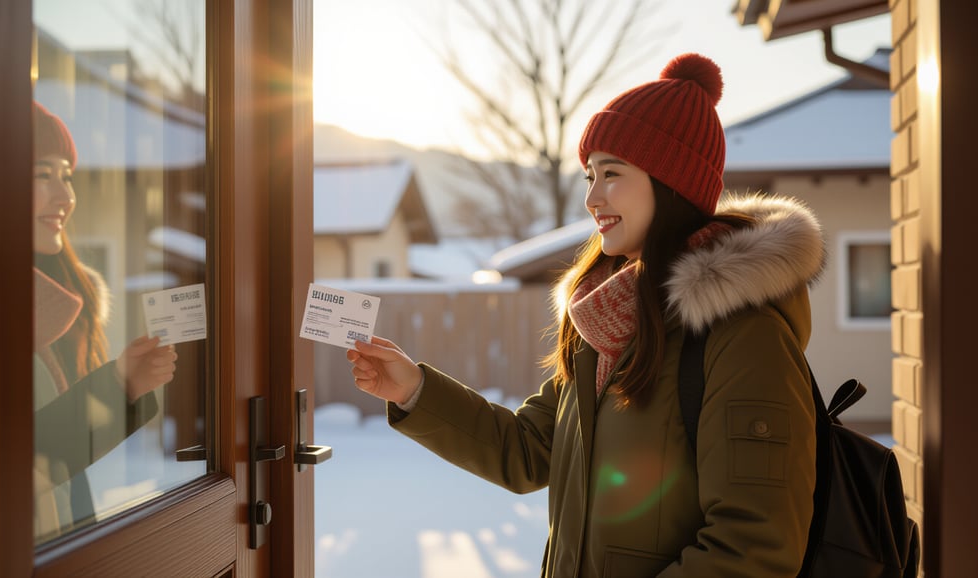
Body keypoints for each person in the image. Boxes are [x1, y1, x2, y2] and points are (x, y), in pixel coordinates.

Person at [346, 53, 825, 576]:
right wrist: (414, 390)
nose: (593, 197)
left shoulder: (743, 335)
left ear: (672, 183)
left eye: (612, 173)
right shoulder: (606, 320)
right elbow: (528, 451)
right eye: (589, 175)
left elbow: (754, 547)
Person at [32, 101, 179, 542]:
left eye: (67, 177)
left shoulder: (52, 309)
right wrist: (117, 386)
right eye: (43, 175)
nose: (66, 197)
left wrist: (122, 384)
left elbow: (46, 455)